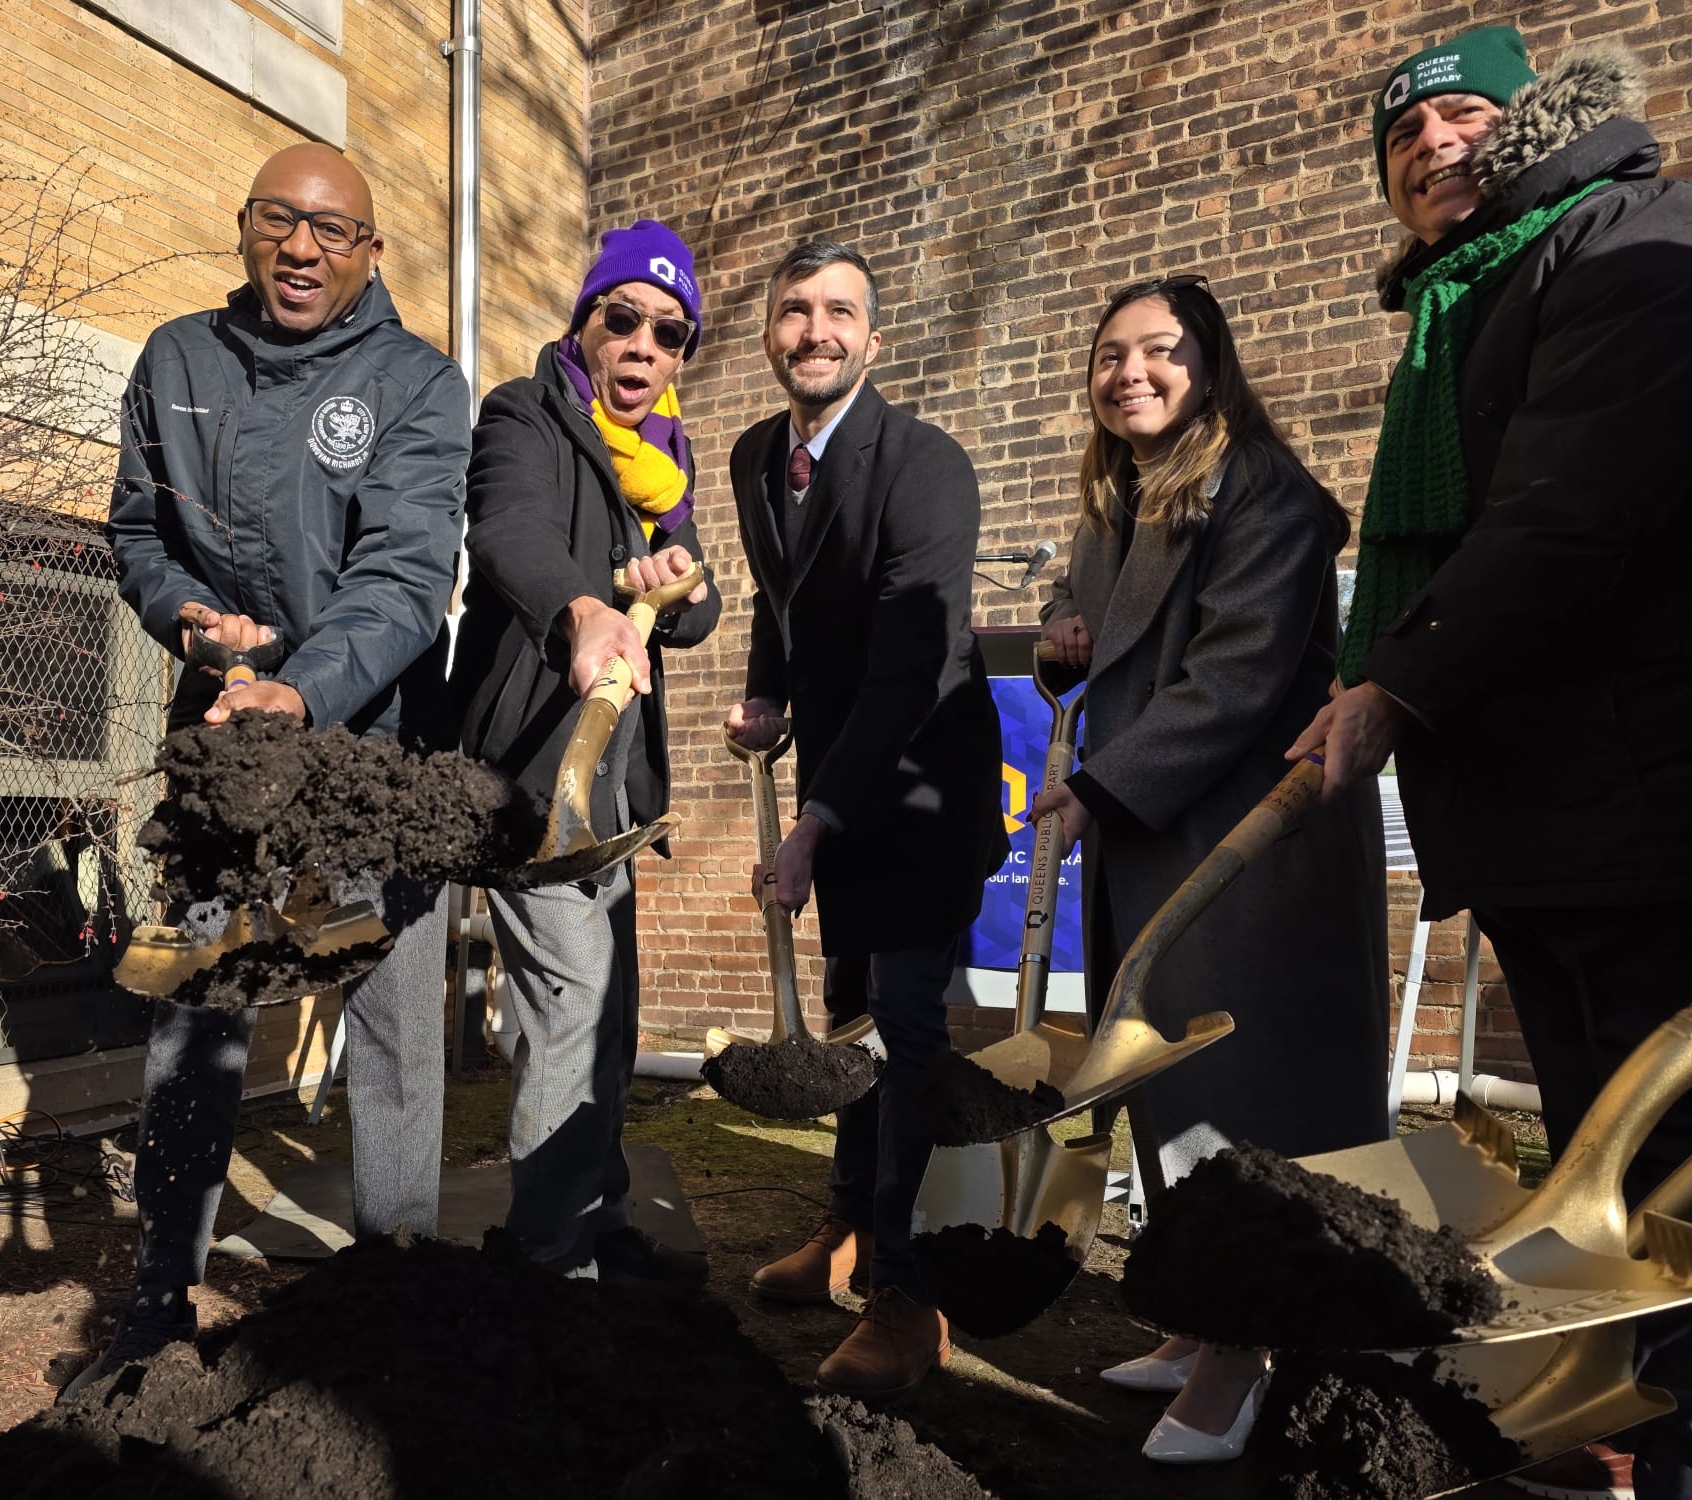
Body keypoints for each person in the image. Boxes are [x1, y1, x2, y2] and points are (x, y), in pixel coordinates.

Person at [1292, 26, 1692, 1498]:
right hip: (1548, 815)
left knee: (1668, 1156)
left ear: (1535, 123)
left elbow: (1567, 510)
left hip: (1647, 805)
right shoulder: (1465, 303)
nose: (1432, 144)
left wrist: (1397, 679)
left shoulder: (1630, 239)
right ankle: (1633, 1418)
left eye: (1464, 114)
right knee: (1605, 1153)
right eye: (1402, 136)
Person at [65, 143, 469, 1398]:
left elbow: (406, 575)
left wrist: (304, 684)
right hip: (223, 749)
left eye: (330, 232)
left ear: (369, 253)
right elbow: (136, 529)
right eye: (277, 222)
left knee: (395, 1027)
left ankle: (395, 1294)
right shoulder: (175, 359)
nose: (300, 249)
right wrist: (193, 620)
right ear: (244, 229)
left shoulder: (415, 381)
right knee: (200, 1020)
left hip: (374, 748)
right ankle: (155, 1306)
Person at [1034, 274, 1390, 1464]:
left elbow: (1234, 679)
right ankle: (1198, 1316)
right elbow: (1096, 621)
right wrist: (1058, 629)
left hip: (1247, 843)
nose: (1129, 371)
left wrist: (1095, 787)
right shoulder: (1116, 500)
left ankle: (1247, 1355)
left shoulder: (1266, 494)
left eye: (1160, 352)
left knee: (1246, 1096)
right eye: (1109, 354)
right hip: (1159, 833)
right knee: (1167, 1087)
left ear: (1211, 367)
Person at [725, 240, 1004, 1397]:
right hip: (838, 782)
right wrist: (764, 686)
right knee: (845, 1019)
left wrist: (813, 821)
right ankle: (843, 1234)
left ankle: (908, 1293)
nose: (814, 331)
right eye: (794, 312)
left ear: (871, 339)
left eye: (839, 311)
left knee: (902, 1028)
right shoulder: (754, 459)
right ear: (770, 332)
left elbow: (906, 661)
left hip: (922, 784)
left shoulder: (923, 466)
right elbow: (776, 597)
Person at [452, 220, 721, 1285]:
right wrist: (581, 611)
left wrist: (676, 589)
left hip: (611, 787)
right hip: (528, 772)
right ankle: (545, 1257)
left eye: (669, 331)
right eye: (624, 320)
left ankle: (596, 1219)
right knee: (574, 995)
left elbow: (692, 620)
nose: (644, 346)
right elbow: (507, 530)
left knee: (608, 1012)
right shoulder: (523, 415)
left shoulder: (669, 461)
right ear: (586, 323)